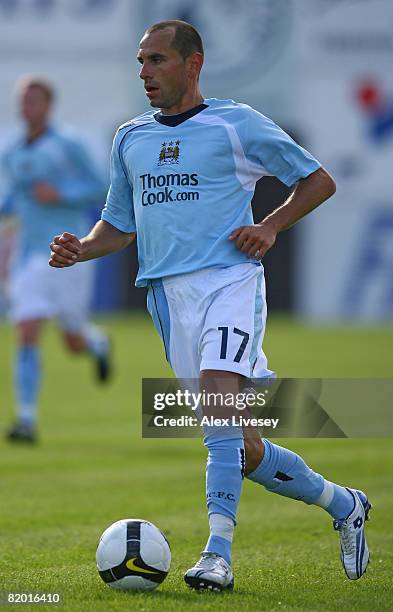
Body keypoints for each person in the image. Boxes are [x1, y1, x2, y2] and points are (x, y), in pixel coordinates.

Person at [49, 21, 371, 591]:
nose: (144, 72)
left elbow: (318, 181)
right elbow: (119, 227)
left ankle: (217, 554)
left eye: (157, 60)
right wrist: (81, 250)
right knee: (241, 447)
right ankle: (344, 504)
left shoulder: (236, 123)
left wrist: (270, 226)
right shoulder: (130, 138)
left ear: (192, 64)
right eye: (141, 61)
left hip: (229, 281)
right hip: (168, 302)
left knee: (220, 396)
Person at [1, 76, 111, 444]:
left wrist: (61, 194)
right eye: (23, 101)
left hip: (67, 253)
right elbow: (15, 198)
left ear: (48, 105)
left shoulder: (68, 144)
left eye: (34, 101)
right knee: (27, 331)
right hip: (28, 255)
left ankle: (97, 344)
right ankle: (26, 421)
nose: (27, 107)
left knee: (72, 341)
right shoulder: (13, 151)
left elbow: (100, 185)